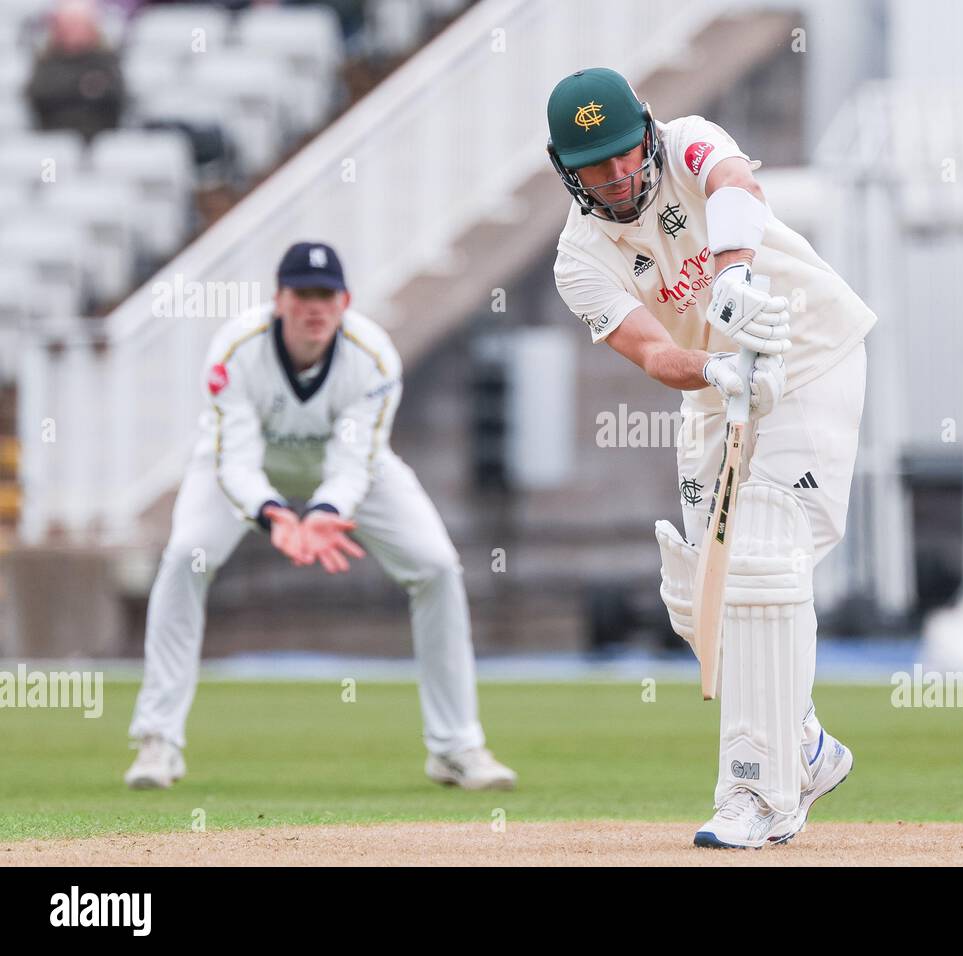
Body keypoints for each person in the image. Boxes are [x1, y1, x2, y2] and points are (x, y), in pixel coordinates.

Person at [548, 68, 878, 848]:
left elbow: (733, 182)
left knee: (765, 553)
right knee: (705, 596)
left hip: (810, 353)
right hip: (715, 388)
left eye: (627, 153)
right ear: (569, 171)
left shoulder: (690, 141)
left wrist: (731, 274)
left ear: (648, 132)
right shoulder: (578, 260)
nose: (621, 175)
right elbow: (654, 351)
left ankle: (758, 794)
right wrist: (718, 370)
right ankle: (805, 747)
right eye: (597, 166)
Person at [125, 241, 516, 791]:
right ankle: (157, 741)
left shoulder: (374, 358)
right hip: (250, 467)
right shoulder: (234, 350)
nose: (315, 308)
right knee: (185, 557)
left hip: (350, 469)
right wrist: (276, 516)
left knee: (436, 565)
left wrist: (326, 510)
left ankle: (456, 748)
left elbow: (353, 460)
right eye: (302, 294)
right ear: (279, 300)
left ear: (345, 301)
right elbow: (233, 461)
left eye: (326, 296)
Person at [26, 0, 125, 141]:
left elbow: (114, 95)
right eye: (69, 24)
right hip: (54, 136)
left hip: (100, 137)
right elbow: (39, 94)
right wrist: (86, 86)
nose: (73, 30)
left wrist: (66, 88)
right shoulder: (46, 60)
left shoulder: (106, 59)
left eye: (79, 24)